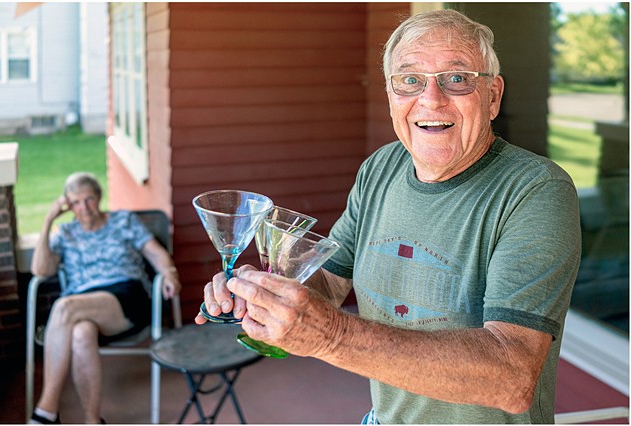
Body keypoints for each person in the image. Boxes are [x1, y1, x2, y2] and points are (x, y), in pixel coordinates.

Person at [195, 9, 580, 424]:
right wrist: (267, 298)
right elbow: (328, 281)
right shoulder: (382, 168)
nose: (431, 99)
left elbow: (512, 377)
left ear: (492, 96)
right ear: (391, 95)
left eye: (457, 78)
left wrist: (330, 336)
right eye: (410, 80)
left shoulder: (536, 191)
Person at [30, 172, 181, 424]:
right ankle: (93, 420)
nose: (84, 208)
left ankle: (46, 410)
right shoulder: (65, 232)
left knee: (64, 308)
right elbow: (40, 270)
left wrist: (169, 273)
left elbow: (154, 252)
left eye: (89, 199)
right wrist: (48, 221)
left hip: (126, 295)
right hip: (82, 304)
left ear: (98, 198)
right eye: (76, 202)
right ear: (67, 205)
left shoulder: (123, 221)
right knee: (80, 333)